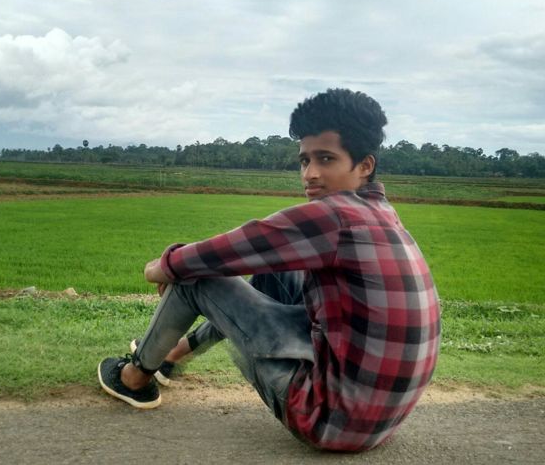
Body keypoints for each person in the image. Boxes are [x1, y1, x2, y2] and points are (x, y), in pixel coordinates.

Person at [98, 88, 440, 451]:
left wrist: (163, 268)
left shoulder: (335, 216)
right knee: (278, 272)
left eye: (326, 159)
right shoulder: (381, 212)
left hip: (327, 419)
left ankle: (134, 377)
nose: (310, 174)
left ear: (365, 166)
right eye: (304, 160)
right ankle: (174, 353)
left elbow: (230, 249)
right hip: (377, 419)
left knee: (195, 274)